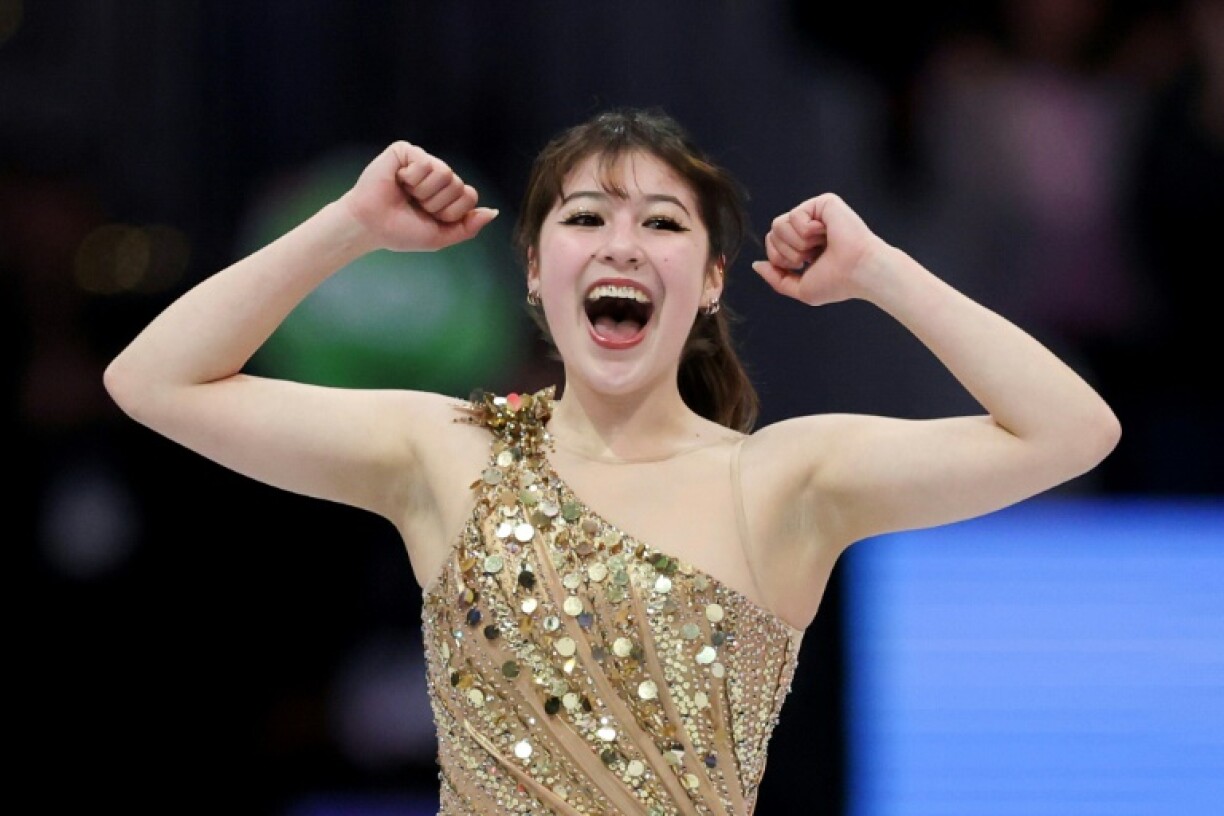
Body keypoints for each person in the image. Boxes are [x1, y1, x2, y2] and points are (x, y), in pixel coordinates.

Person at [104, 107, 1120, 815]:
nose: (622, 245)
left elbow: (1072, 431)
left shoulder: (782, 479)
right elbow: (153, 381)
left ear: (712, 280)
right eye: (586, 218)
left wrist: (881, 271)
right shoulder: (443, 452)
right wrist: (348, 227)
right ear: (535, 272)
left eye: (663, 224)